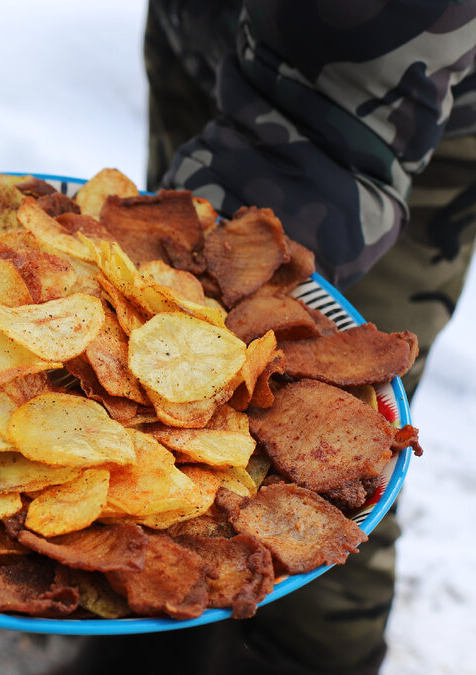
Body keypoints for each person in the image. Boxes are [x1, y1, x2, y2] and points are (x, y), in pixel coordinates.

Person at [66, 2, 476, 673]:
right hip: (220, 37)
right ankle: (156, 640)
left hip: (387, 104)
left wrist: (225, 267)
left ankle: (295, 656)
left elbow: (335, 104)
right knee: (165, 258)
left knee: (331, 462)